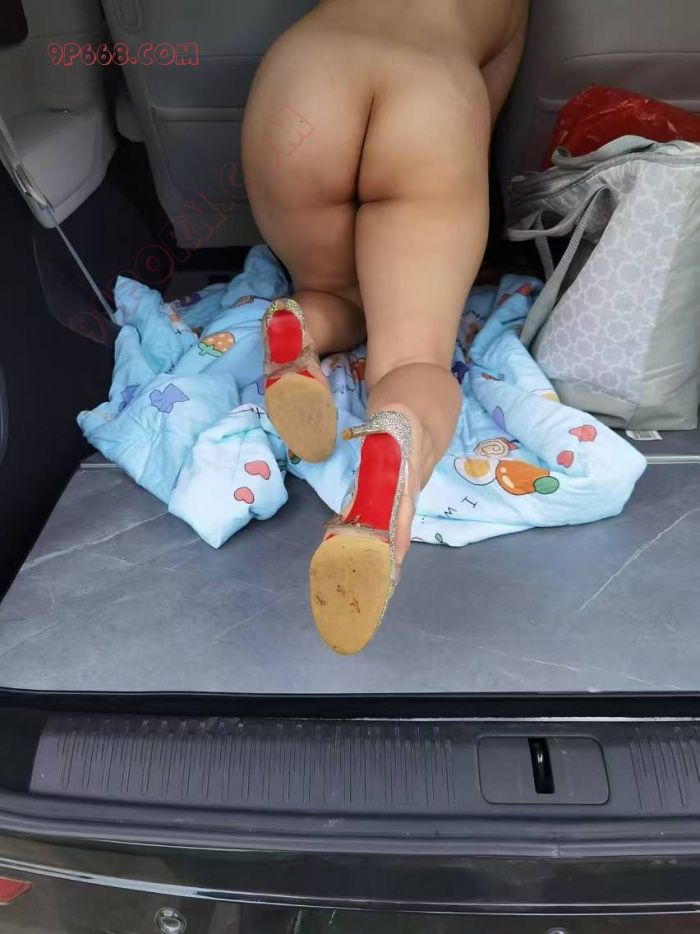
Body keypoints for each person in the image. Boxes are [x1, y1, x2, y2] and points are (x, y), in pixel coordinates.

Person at [242, 0, 528, 654]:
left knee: (331, 288)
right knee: (411, 358)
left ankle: (298, 324)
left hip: (304, 76)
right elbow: (485, 121)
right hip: (430, 92)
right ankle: (397, 433)